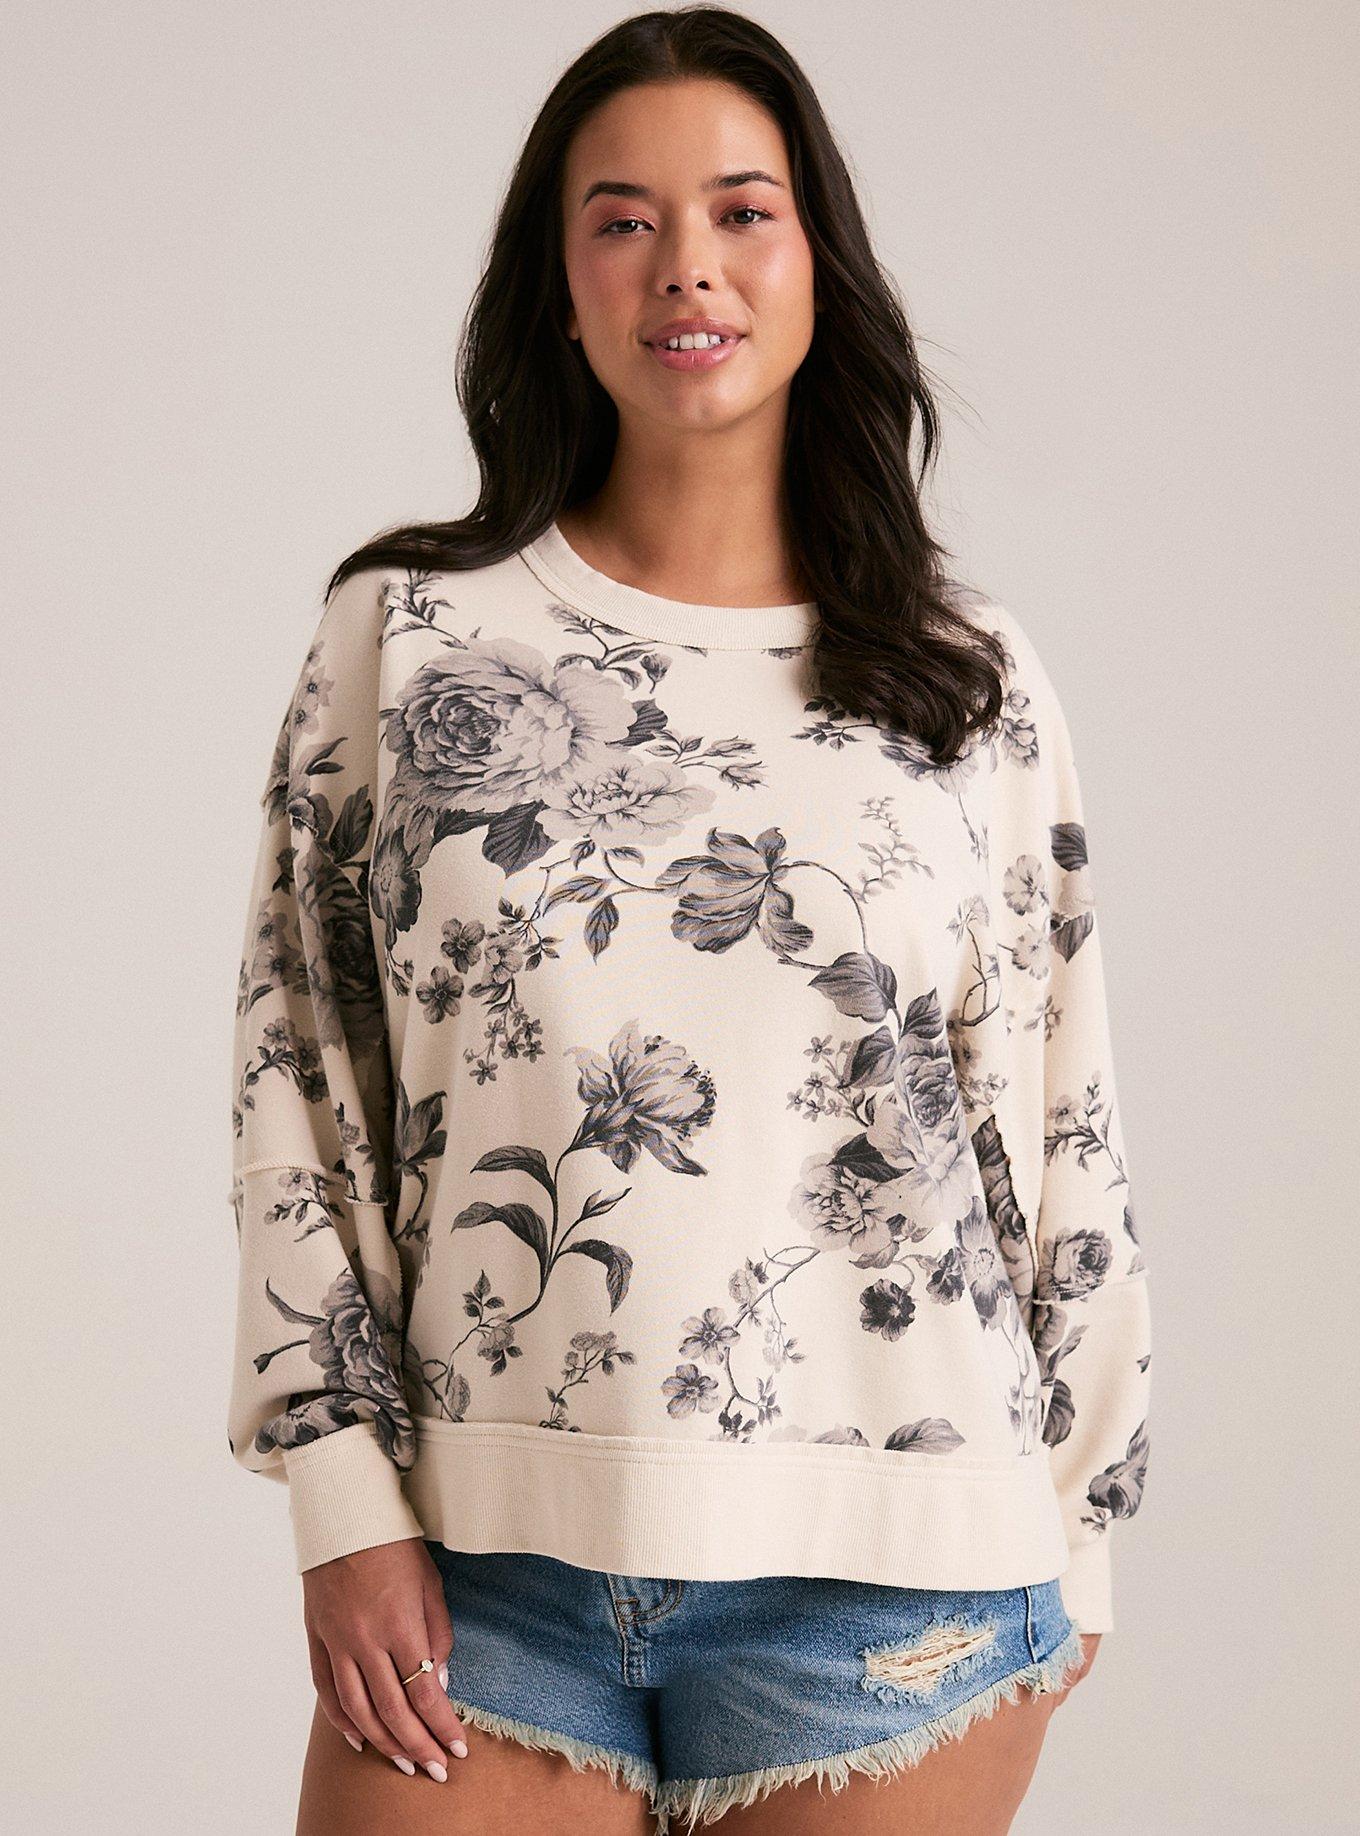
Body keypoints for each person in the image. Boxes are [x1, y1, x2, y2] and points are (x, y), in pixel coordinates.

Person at [226, 8, 1151, 1832]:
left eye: (742, 211)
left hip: (904, 1572)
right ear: (558, 285)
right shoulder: (408, 636)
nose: (686, 267)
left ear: (817, 265)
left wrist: (1081, 1527)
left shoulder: (965, 678)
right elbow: (299, 1078)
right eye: (622, 220)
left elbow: (1061, 1121)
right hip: (481, 1558)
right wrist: (341, 1503)